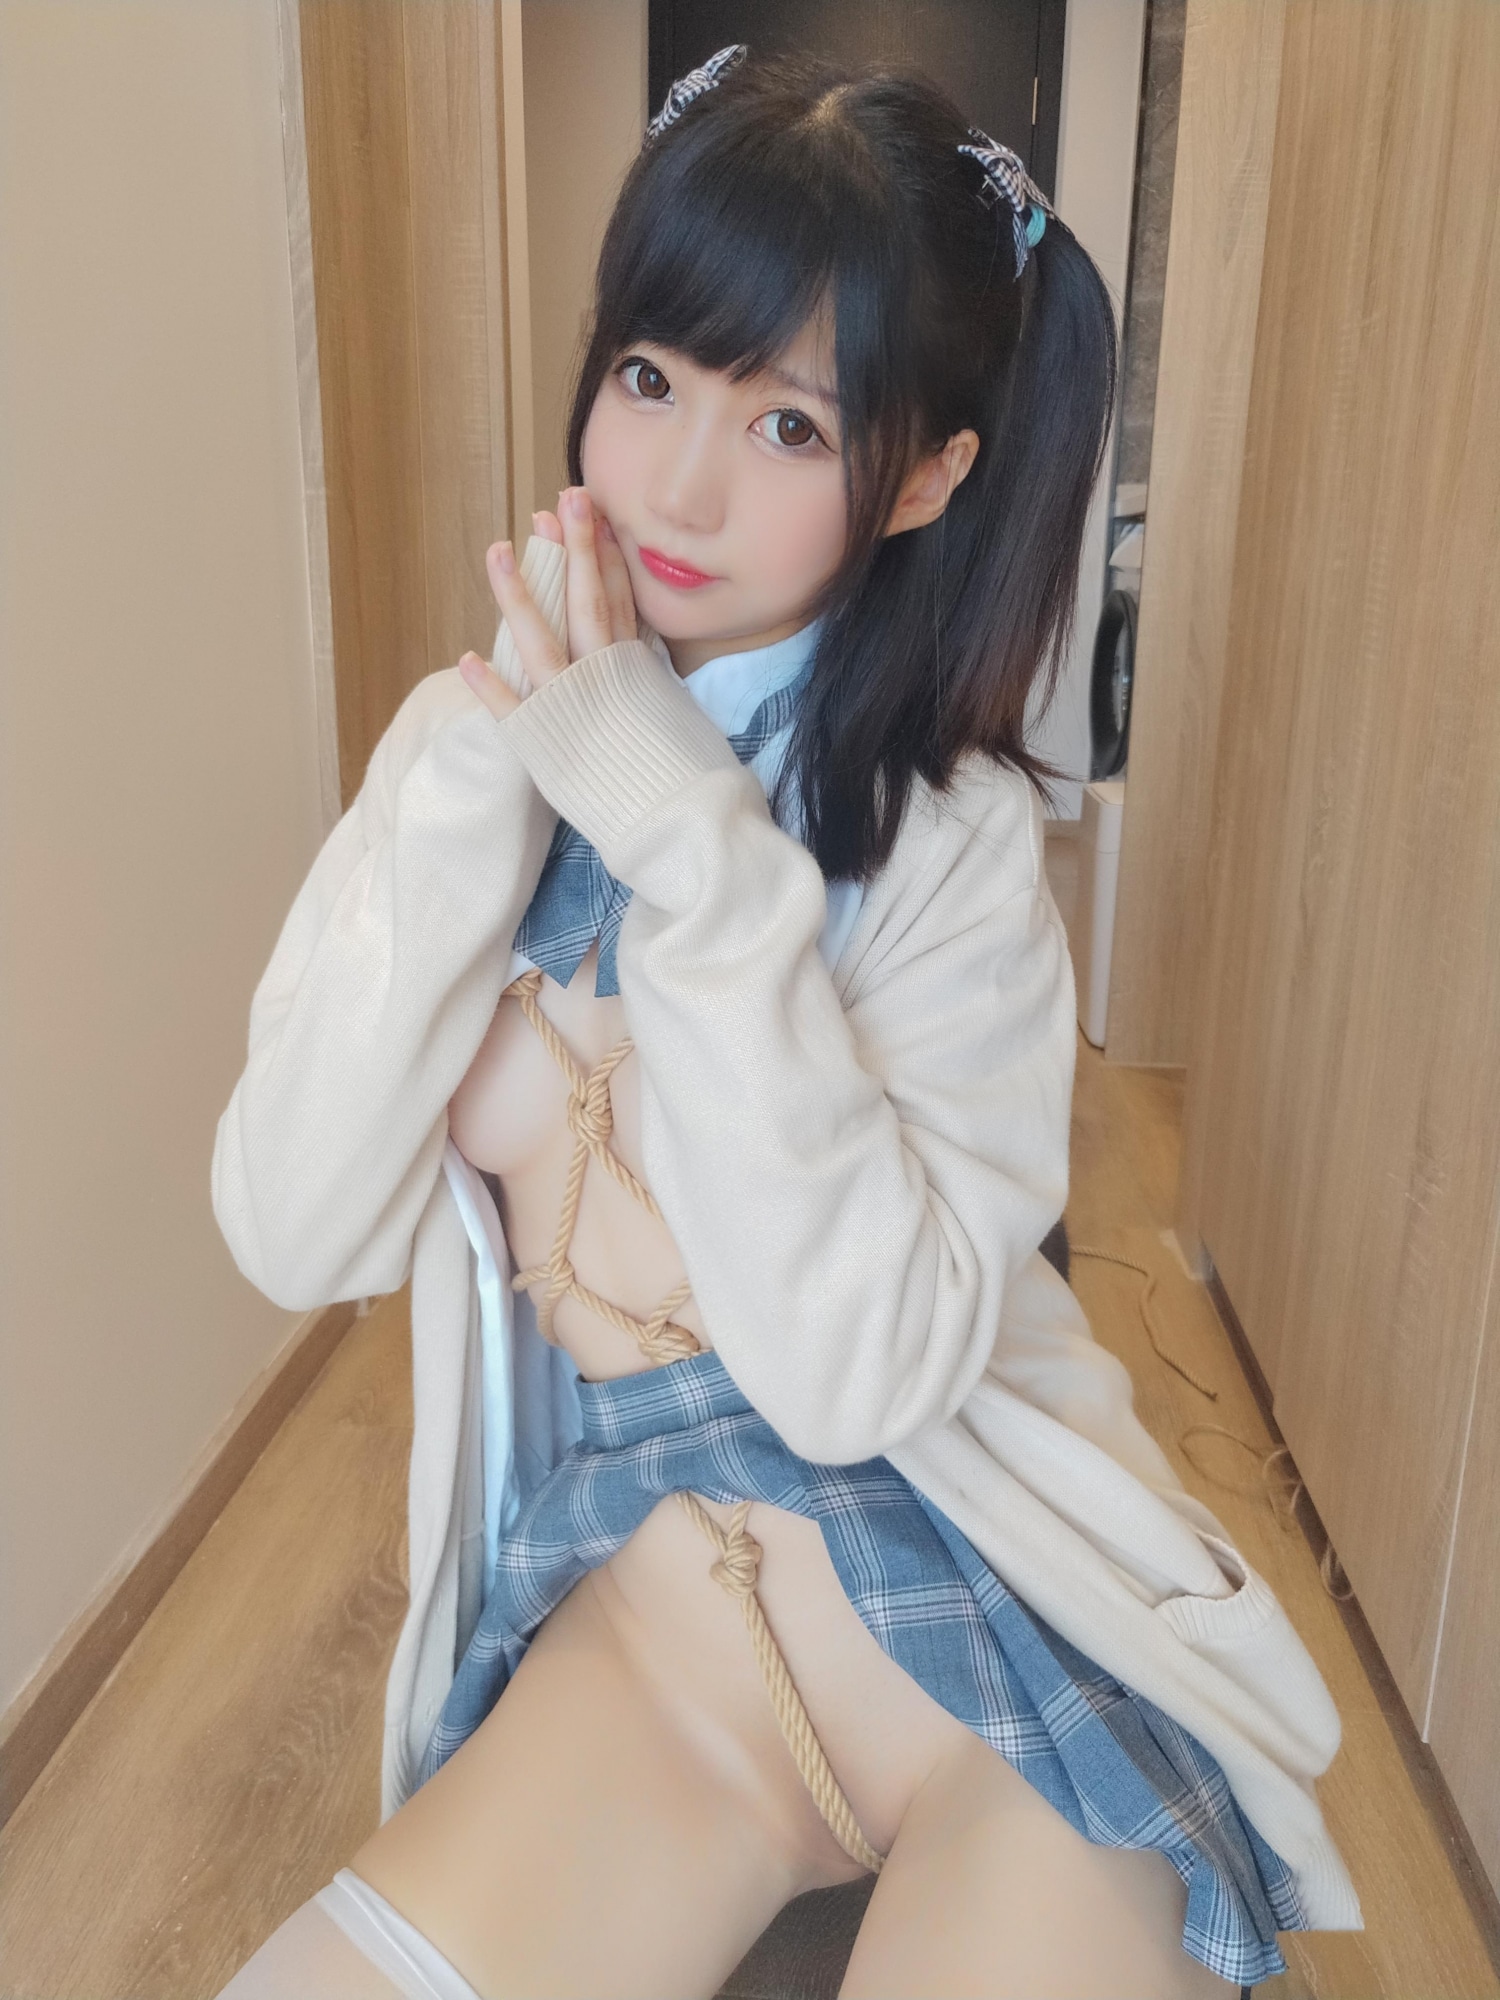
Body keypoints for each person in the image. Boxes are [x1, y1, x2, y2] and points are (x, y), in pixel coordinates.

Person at [212, 48, 1360, 2000]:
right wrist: (495, 763)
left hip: (995, 1638)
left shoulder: (955, 847)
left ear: (923, 477)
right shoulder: (462, 761)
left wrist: (686, 836)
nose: (676, 484)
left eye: (790, 425)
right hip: (656, 1667)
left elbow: (851, 1381)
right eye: (652, 377)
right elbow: (291, 1226)